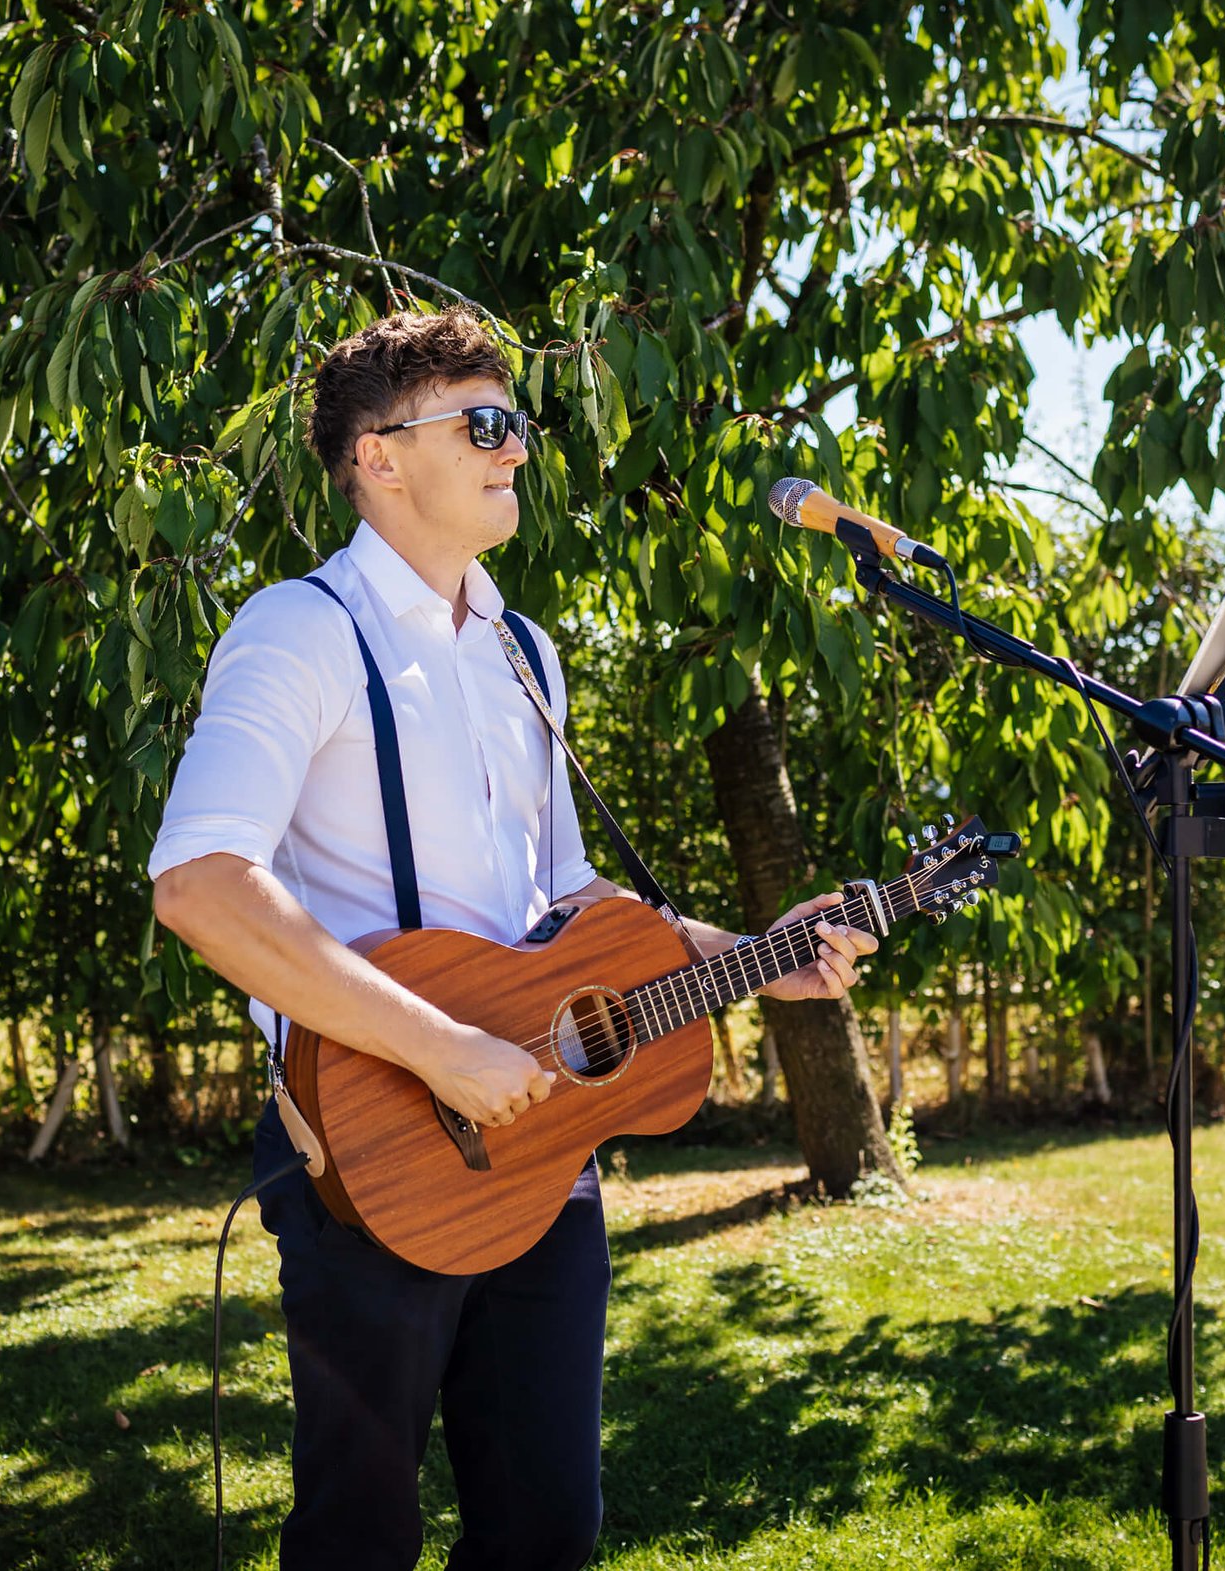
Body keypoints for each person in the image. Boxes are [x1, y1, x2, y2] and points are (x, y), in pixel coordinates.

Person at [147, 307, 877, 1571]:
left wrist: (754, 948)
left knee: (549, 1531)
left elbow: (569, 909)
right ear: (378, 456)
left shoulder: (521, 648)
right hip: (368, 1156)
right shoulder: (299, 629)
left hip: (543, 1160)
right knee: (358, 1537)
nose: (516, 451)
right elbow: (201, 884)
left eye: (518, 426)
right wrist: (440, 1049)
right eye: (484, 424)